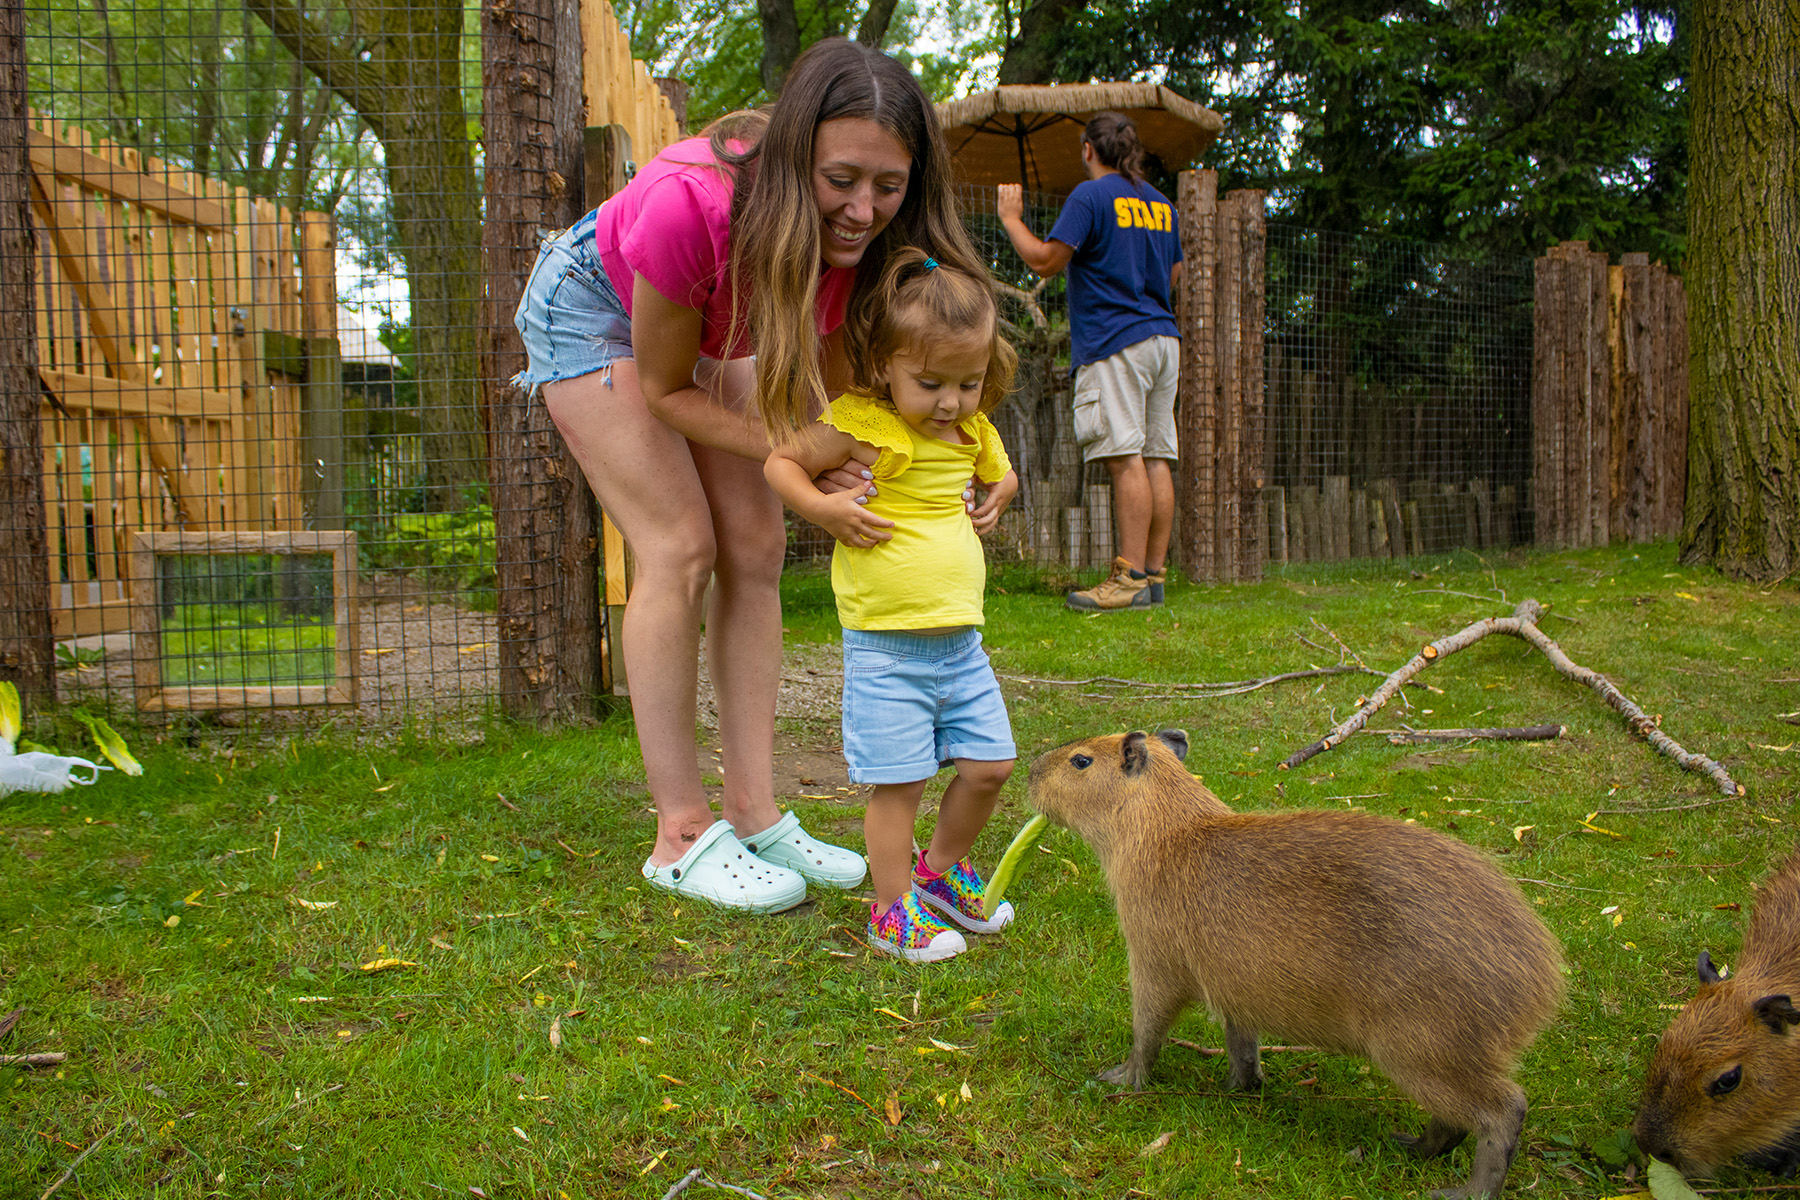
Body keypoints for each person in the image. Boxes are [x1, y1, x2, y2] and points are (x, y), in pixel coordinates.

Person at [511, 39, 994, 914]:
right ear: (796, 149)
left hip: (716, 315)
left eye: (888, 185)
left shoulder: (882, 242)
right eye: (841, 178)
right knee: (680, 544)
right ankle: (682, 835)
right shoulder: (687, 206)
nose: (862, 209)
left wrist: (912, 474)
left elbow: (853, 406)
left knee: (758, 541)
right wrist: (802, 451)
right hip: (598, 309)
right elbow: (664, 391)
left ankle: (755, 813)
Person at [765, 249, 1021, 962]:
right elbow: (781, 462)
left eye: (968, 383)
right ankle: (889, 912)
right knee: (898, 785)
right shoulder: (867, 424)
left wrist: (1001, 493)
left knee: (991, 767)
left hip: (962, 650)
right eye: (931, 382)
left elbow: (1002, 475)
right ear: (884, 366)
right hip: (887, 648)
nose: (951, 401)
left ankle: (937, 876)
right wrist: (825, 509)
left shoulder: (973, 430)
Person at [997, 112, 1183, 611]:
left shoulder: (1091, 197)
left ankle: (1127, 579)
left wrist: (1012, 218)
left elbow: (1044, 260)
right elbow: (1176, 270)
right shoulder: (1162, 205)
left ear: (1087, 151)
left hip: (1116, 340)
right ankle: (1153, 577)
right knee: (1157, 456)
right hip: (1164, 338)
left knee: (1125, 458)